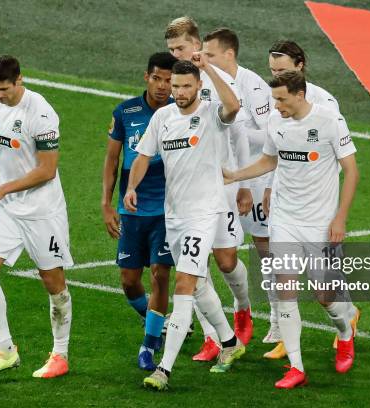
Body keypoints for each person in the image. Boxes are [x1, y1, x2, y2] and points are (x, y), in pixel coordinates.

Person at [223, 70, 360, 388]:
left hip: (319, 222)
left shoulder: (329, 121)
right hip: (284, 219)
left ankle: (344, 332)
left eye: (282, 98)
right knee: (286, 292)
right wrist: (236, 175)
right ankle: (296, 367)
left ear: (300, 95)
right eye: (274, 99)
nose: (277, 105)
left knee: (324, 295)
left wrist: (340, 218)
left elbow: (351, 171)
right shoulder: (276, 121)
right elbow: (269, 161)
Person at [125, 57, 245, 391]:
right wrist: (132, 187)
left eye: (185, 86)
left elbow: (233, 105)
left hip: (204, 213)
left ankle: (164, 369)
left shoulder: (210, 114)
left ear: (198, 87)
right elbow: (143, 156)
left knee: (184, 285)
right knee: (201, 283)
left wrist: (206, 66)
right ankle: (231, 343)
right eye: (175, 86)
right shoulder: (162, 117)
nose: (178, 92)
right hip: (174, 214)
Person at [0, 55, 73, 380]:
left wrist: (0, 191)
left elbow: (47, 170)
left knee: (53, 282)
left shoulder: (41, 113)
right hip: (7, 207)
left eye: (4, 88)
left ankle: (60, 354)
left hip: (42, 210)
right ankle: (5, 351)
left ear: (19, 80)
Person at [165, 16, 253, 361]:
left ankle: (243, 308)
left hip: (225, 186)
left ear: (197, 45)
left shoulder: (221, 82)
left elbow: (239, 134)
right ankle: (211, 336)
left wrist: (244, 182)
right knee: (194, 266)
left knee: (226, 259)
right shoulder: (180, 83)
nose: (176, 54)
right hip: (192, 192)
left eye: (181, 47)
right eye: (172, 49)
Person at [262, 39, 350, 359]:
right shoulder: (277, 102)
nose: (276, 75)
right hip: (287, 206)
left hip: (319, 206)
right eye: (272, 71)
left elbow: (336, 160)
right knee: (283, 276)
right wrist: (271, 186)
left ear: (300, 66)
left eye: (282, 70)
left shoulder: (326, 104)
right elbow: (278, 150)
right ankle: (289, 341)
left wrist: (330, 207)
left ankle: (347, 317)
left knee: (324, 283)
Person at [101, 52, 178, 371]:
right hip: (132, 210)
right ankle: (157, 323)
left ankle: (149, 345)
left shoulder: (181, 112)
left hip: (167, 210)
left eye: (169, 81)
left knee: (160, 274)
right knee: (129, 280)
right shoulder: (125, 112)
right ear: (146, 77)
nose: (163, 86)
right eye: (157, 78)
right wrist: (106, 204)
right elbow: (111, 160)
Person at [203, 27, 275, 354]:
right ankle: (239, 313)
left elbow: (272, 135)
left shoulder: (255, 86)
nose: (206, 60)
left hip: (254, 181)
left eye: (212, 55)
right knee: (225, 253)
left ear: (229, 54)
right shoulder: (211, 85)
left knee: (264, 249)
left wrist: (237, 129)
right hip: (225, 184)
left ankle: (275, 318)